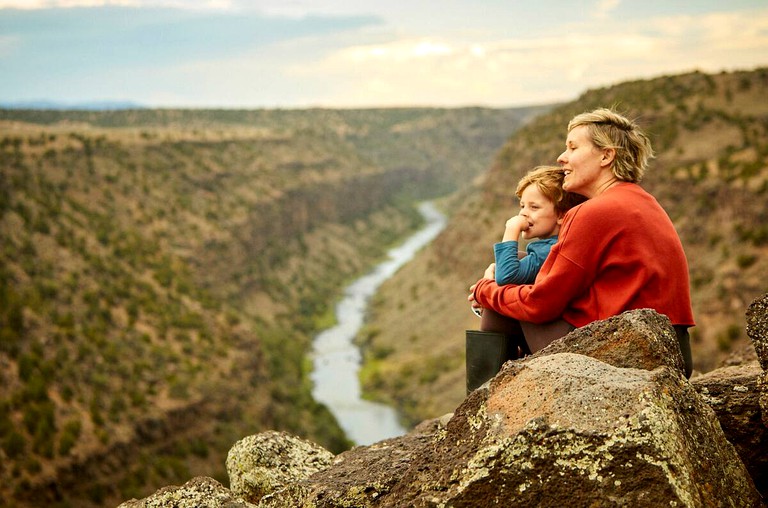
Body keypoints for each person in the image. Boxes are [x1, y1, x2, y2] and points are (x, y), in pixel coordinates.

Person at [465, 107, 695, 393]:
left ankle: (482, 403)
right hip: (669, 349)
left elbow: (540, 305)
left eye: (573, 147)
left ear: (606, 156)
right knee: (519, 266)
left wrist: (486, 291)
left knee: (504, 292)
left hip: (629, 356)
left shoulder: (594, 212)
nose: (562, 158)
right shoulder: (642, 201)